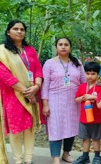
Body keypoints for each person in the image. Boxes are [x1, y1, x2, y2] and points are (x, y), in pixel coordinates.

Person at [0, 20, 43, 164]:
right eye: (15, 29)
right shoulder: (2, 51)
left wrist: (36, 87)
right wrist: (26, 91)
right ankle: (18, 160)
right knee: (16, 129)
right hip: (13, 95)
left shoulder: (30, 49)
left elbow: (37, 68)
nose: (19, 31)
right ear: (8, 32)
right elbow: (4, 74)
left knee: (30, 128)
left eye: (22, 29)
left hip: (33, 93)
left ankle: (28, 159)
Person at [42, 37, 86, 164]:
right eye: (60, 44)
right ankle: (55, 156)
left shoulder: (77, 62)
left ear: (70, 47)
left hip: (73, 100)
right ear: (56, 47)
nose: (63, 47)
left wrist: (86, 97)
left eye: (66, 44)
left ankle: (66, 153)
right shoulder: (49, 63)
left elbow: (83, 82)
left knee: (70, 127)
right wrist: (45, 104)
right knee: (55, 128)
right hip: (55, 100)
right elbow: (45, 86)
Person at [74, 62, 101, 164]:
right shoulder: (82, 86)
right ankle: (85, 156)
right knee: (85, 138)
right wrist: (83, 97)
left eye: (93, 74)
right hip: (84, 118)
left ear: (98, 74)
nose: (90, 76)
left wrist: (93, 97)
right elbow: (76, 99)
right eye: (87, 73)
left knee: (96, 138)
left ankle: (97, 157)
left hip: (96, 118)